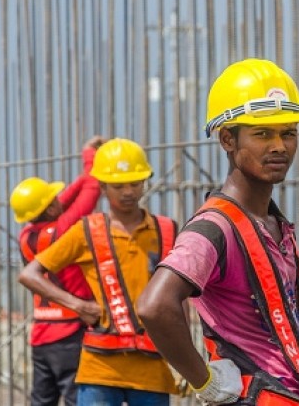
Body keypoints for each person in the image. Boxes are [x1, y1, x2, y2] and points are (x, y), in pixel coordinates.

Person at [138, 58, 299, 405]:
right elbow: (154, 306)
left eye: (288, 133)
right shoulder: (213, 229)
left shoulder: (274, 224)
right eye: (262, 134)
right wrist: (204, 381)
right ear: (227, 139)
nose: (279, 146)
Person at [18, 138, 179, 406]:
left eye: (135, 183)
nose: (128, 192)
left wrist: (182, 359)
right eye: (118, 186)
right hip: (100, 368)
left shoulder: (166, 230)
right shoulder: (85, 230)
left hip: (152, 367)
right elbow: (29, 274)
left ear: (145, 181)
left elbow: (179, 299)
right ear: (103, 186)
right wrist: (78, 305)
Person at [10, 135, 104, 406]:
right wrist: (90, 156)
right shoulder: (64, 230)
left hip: (41, 334)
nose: (58, 200)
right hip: (70, 333)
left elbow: (64, 199)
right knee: (80, 399)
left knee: (41, 401)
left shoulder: (27, 234)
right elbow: (92, 188)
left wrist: (88, 156)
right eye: (53, 199)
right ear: (49, 207)